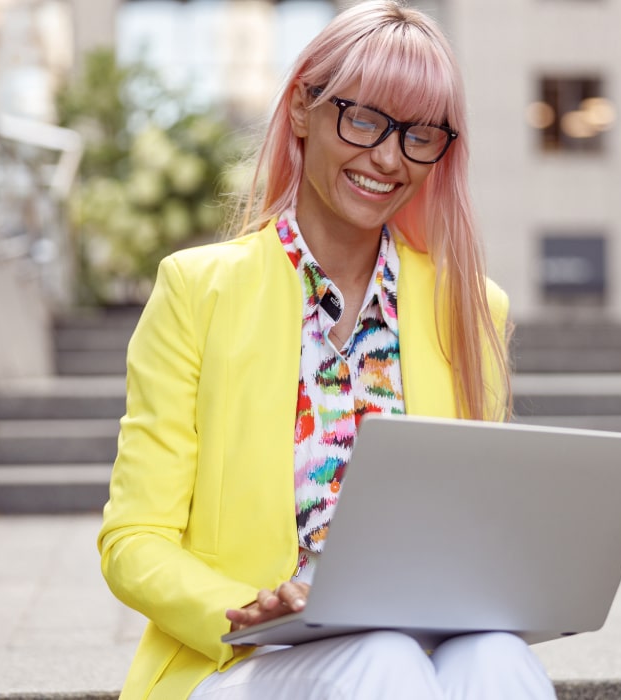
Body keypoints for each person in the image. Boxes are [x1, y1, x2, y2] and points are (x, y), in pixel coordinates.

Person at [98, 1, 556, 698]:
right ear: (305, 107)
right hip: (243, 662)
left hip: (418, 648)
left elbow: (473, 532)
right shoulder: (198, 291)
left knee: (495, 657)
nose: (388, 157)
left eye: (418, 134)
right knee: (383, 660)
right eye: (364, 119)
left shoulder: (470, 306)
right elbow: (134, 541)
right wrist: (248, 609)